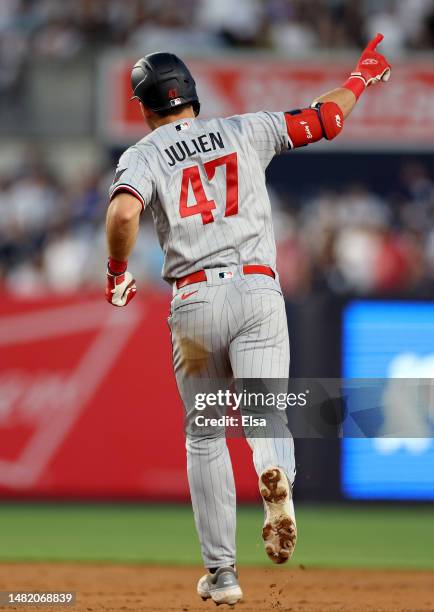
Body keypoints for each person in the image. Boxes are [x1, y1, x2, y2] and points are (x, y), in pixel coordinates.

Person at [105, 36, 390, 607]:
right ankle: (275, 481)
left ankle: (223, 573)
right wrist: (362, 76)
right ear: (191, 94)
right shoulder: (244, 128)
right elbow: (326, 118)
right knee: (267, 415)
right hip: (258, 288)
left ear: (146, 106)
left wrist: (116, 271)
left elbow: (124, 210)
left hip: (195, 303)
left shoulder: (144, 155)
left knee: (205, 434)